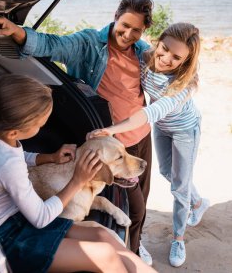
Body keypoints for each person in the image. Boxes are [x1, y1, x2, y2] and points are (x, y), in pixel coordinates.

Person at [0, 0, 154, 265]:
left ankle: (135, 246)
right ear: (115, 16)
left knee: (127, 214)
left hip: (138, 136)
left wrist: (47, 158)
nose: (129, 34)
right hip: (107, 145)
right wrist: (19, 34)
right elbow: (54, 44)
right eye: (125, 26)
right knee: (127, 218)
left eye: (137, 30)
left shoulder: (143, 51)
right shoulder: (89, 43)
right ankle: (129, 252)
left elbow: (19, 156)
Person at [0, 74, 157, 273]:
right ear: (14, 132)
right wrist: (77, 181)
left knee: (102, 234)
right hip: (7, 238)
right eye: (40, 125)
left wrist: (49, 158)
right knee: (105, 256)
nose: (42, 127)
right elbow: (41, 217)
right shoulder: (5, 163)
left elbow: (19, 154)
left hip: (17, 220)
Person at [87, 23, 210, 268]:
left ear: (186, 61)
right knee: (167, 172)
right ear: (158, 42)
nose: (166, 59)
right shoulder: (144, 58)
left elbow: (152, 111)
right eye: (164, 49)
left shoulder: (185, 83)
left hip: (185, 130)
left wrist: (112, 129)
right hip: (163, 129)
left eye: (176, 57)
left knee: (179, 187)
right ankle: (198, 201)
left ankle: (178, 238)